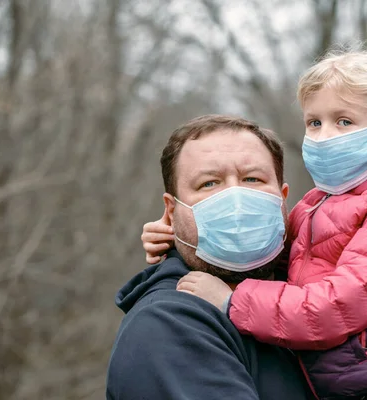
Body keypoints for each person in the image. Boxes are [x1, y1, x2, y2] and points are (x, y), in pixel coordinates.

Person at [144, 50, 367, 399]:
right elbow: (271, 263)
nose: (324, 135)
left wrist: (232, 301)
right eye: (314, 122)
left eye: (343, 122)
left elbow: (336, 307)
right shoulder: (315, 204)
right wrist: (181, 236)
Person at [106, 115, 312, 400]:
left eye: (252, 179)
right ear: (171, 211)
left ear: (282, 199)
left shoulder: (314, 298)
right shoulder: (169, 326)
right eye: (209, 184)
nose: (236, 199)